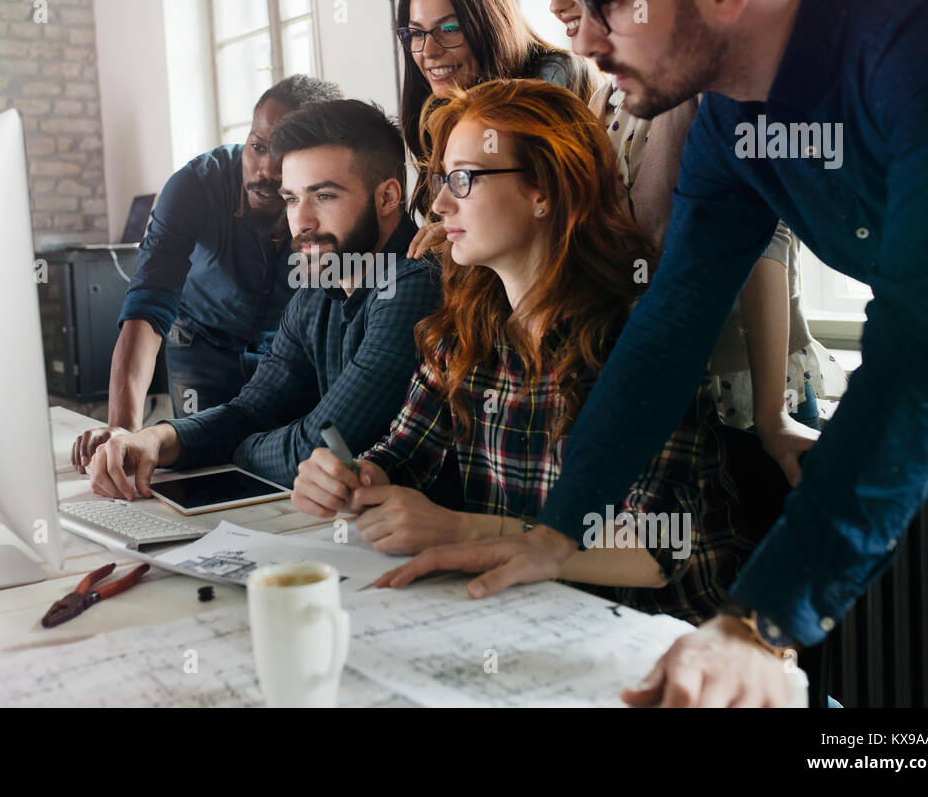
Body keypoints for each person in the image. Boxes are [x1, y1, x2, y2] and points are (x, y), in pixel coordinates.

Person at [379, 0, 928, 709]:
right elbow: (669, 330)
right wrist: (559, 533)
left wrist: (759, 624)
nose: (582, 37)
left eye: (606, 5)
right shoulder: (730, 120)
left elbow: (926, 349)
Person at [294, 79, 751, 624]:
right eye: (442, 181)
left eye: (462, 180)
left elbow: (656, 549)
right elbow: (401, 458)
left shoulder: (639, 333)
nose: (439, 204)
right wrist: (351, 480)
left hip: (657, 647)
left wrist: (461, 528)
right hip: (521, 623)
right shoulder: (460, 331)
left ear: (544, 190)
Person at [538, 0, 847, 498]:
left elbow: (764, 242)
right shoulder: (599, 102)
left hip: (747, 390)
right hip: (668, 385)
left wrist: (771, 417)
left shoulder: (704, 84)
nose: (556, 2)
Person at [83, 99, 442, 496]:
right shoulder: (319, 285)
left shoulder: (412, 284)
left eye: (323, 196)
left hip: (426, 534)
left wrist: (236, 447)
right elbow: (252, 410)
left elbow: (316, 450)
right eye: (292, 199)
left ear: (388, 197)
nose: (301, 222)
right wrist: (154, 440)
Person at [71, 75, 341, 473]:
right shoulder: (195, 185)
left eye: (283, 155)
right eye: (257, 146)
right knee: (195, 466)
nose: (265, 169)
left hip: (283, 355)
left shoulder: (327, 204)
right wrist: (123, 430)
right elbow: (148, 306)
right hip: (201, 344)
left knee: (276, 469)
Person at [396, 0, 597, 215]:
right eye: (417, 33)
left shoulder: (556, 74)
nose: (429, 51)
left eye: (449, 29)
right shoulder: (436, 109)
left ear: (490, 24)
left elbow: (544, 215)